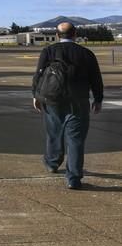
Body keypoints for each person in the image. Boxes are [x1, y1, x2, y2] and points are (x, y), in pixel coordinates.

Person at [32, 22, 103, 190]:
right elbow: (96, 78)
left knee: (54, 132)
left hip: (53, 100)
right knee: (76, 140)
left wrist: (35, 95)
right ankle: (73, 178)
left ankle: (52, 163)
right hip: (79, 101)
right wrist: (98, 99)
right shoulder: (86, 53)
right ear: (75, 34)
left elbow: (39, 74)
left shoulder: (48, 51)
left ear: (57, 35)